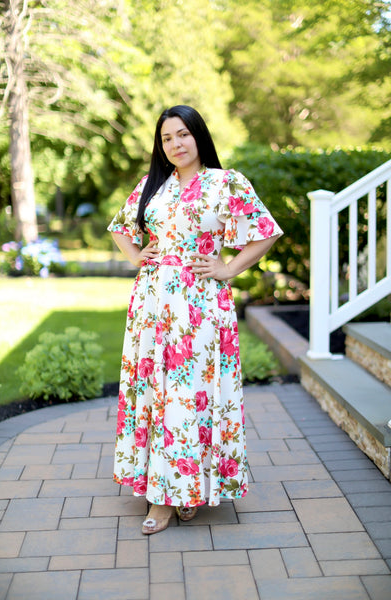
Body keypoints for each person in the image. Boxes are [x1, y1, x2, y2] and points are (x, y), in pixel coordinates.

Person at [108, 105, 283, 535]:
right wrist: (136, 255)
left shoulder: (226, 183)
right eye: (167, 138)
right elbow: (120, 227)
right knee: (157, 393)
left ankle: (188, 488)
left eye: (183, 134)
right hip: (152, 305)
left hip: (202, 305)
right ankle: (163, 497)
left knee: (191, 395)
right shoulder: (153, 185)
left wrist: (228, 269)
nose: (175, 144)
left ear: (198, 136)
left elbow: (267, 231)